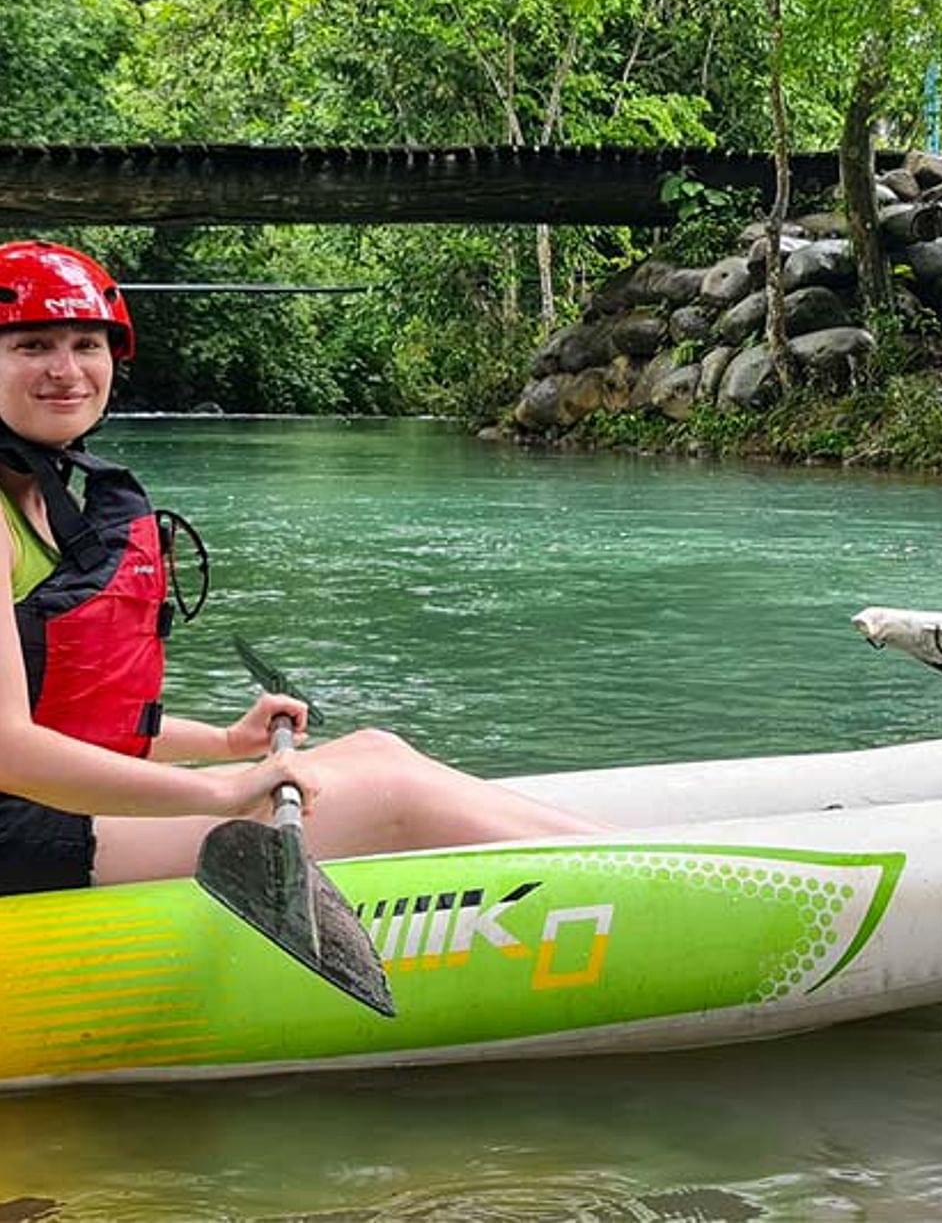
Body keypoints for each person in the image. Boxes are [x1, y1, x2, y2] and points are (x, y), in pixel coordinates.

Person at [0, 240, 599, 898]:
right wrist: (221, 789)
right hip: (22, 840)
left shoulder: (47, 504)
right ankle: (644, 891)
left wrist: (228, 742)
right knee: (392, 796)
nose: (68, 370)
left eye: (87, 344)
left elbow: (66, 716)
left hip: (49, 817)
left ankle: (624, 862)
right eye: (32, 346)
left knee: (380, 749)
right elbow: (11, 748)